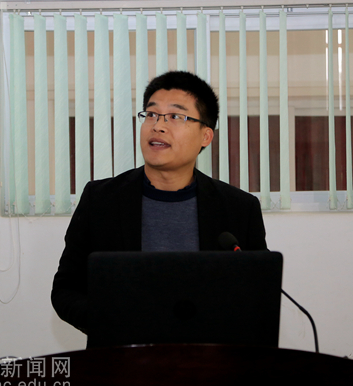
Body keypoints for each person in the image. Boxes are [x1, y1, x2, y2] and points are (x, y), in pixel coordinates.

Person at [51, 71, 268, 334]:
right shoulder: (100, 200)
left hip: (208, 354)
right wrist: (112, 321)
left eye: (175, 116)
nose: (158, 126)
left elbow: (258, 294)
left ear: (206, 136)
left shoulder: (239, 209)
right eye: (151, 114)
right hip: (123, 353)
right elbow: (65, 290)